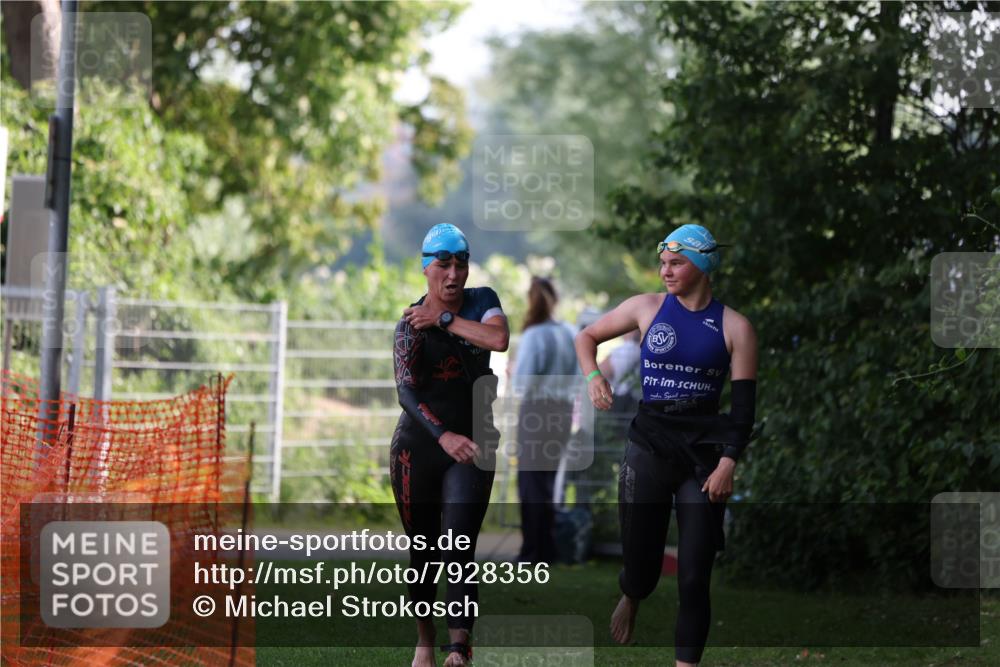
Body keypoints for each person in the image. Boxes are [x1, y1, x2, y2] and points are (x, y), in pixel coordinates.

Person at [574, 224, 758, 667]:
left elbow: (743, 410)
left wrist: (729, 461)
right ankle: (632, 594)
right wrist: (593, 376)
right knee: (641, 567)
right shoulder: (647, 308)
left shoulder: (735, 327)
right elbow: (586, 338)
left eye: (676, 263)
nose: (665, 271)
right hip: (648, 450)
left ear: (704, 265)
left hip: (703, 461)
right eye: (663, 263)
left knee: (694, 577)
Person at [390, 223, 510, 667]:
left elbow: (498, 339)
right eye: (443, 264)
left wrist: (443, 319)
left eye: (461, 263)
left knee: (459, 545)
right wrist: (443, 435)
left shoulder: (482, 301)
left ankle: (458, 649)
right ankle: (424, 637)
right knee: (423, 551)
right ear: (426, 269)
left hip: (474, 444)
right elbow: (405, 393)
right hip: (417, 448)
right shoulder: (409, 326)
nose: (454, 274)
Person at [511, 276, 579, 563]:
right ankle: (547, 549)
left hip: (536, 411)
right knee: (550, 482)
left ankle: (531, 552)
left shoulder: (534, 335)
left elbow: (521, 384)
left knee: (530, 483)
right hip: (562, 412)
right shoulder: (571, 332)